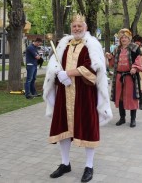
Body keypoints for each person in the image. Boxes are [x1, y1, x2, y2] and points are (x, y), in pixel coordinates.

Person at [43, 14, 112, 183]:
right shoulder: (63, 44)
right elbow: (55, 63)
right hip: (64, 93)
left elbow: (93, 68)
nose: (77, 29)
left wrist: (69, 73)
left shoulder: (92, 45)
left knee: (87, 127)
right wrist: (58, 73)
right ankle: (65, 163)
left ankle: (89, 166)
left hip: (84, 93)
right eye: (74, 26)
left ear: (85, 28)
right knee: (63, 128)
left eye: (80, 26)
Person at [106, 29, 142, 128]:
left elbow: (139, 59)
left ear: (129, 38)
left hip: (130, 77)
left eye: (126, 37)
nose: (123, 39)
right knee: (120, 97)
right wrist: (110, 58)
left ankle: (133, 119)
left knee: (132, 98)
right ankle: (122, 118)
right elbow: (113, 64)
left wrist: (135, 67)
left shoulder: (135, 48)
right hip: (119, 77)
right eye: (122, 37)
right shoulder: (116, 49)